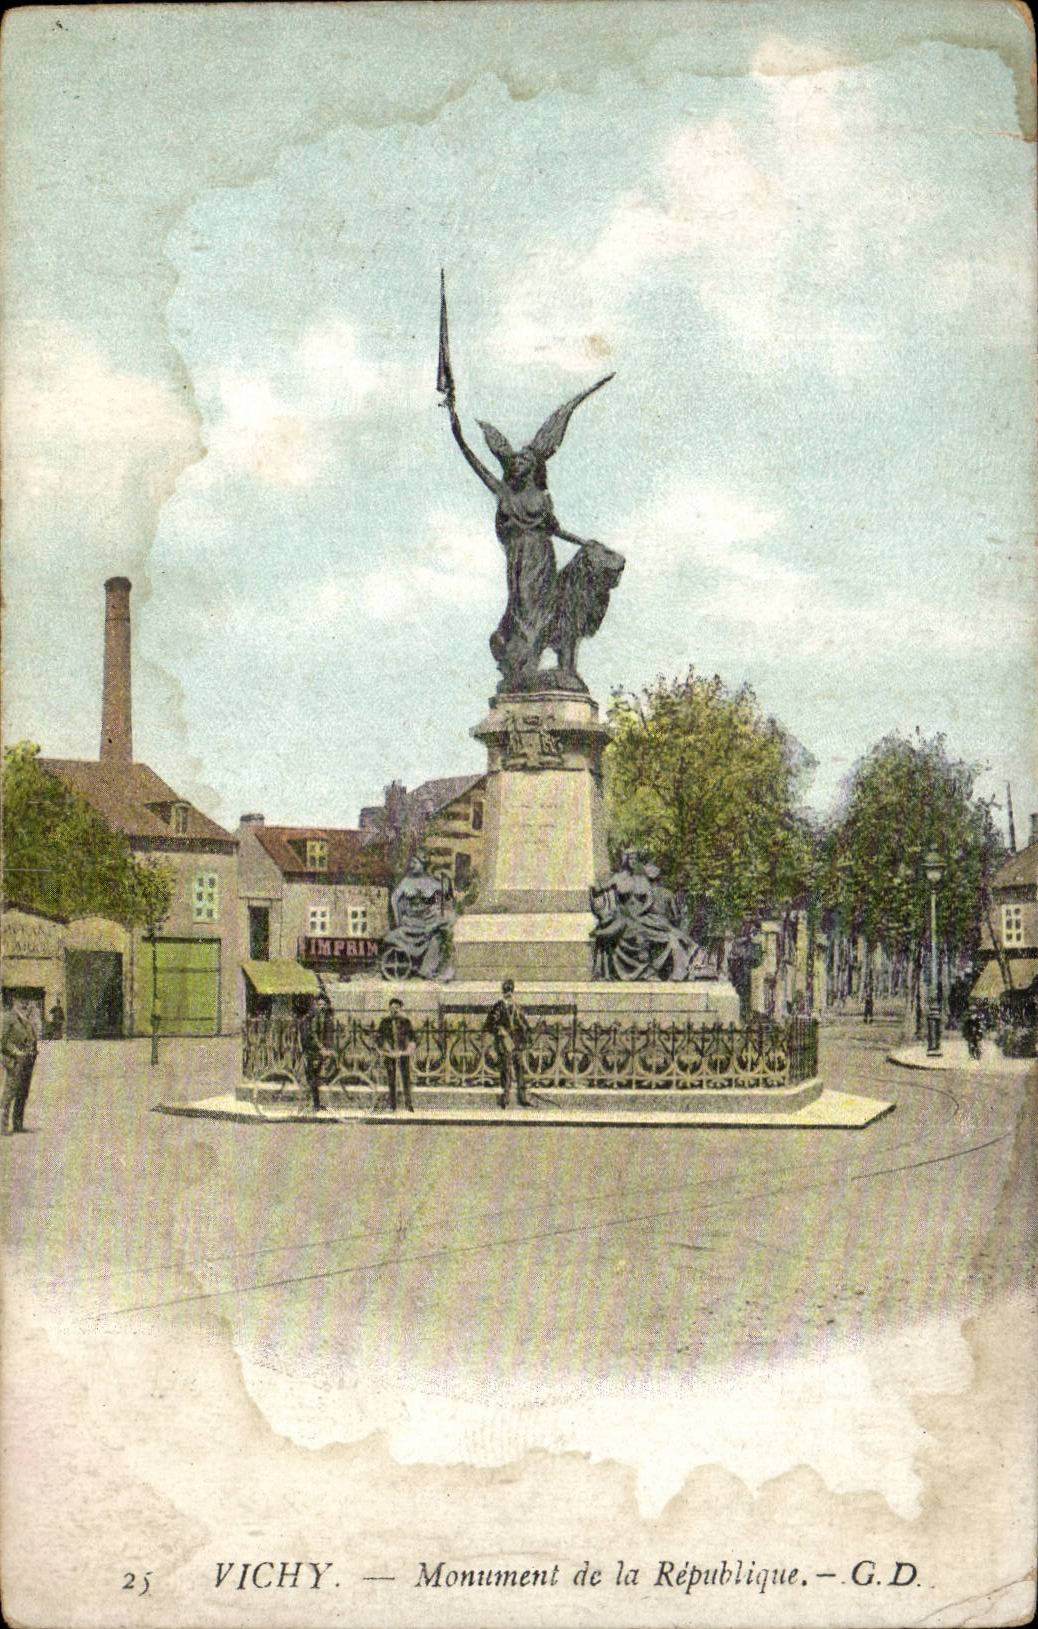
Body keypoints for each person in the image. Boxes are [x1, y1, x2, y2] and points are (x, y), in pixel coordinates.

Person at [483, 979, 532, 1108]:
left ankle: (523, 1097)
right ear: (503, 992)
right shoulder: (498, 1007)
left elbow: (524, 1024)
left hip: (516, 1044)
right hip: (504, 1044)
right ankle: (505, 1098)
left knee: (520, 1070)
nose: (508, 993)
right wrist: (500, 1029)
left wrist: (525, 1031)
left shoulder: (516, 1007)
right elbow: (489, 1024)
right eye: (506, 991)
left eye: (510, 990)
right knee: (506, 1071)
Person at [2, 998, 39, 1136]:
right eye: (21, 1001)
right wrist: (15, 1052)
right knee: (9, 1093)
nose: (25, 1004)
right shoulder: (8, 1018)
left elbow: (31, 1038)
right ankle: (2, 1125)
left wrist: (33, 1051)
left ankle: (18, 1124)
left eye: (27, 1001)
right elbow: (3, 1041)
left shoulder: (27, 1019)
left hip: (27, 1060)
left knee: (22, 1093)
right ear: (14, 1002)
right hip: (14, 1061)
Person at [377, 997, 417, 1113]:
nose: (394, 1010)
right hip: (389, 1054)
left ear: (400, 1009)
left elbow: (413, 1037)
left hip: (403, 1054)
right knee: (391, 1079)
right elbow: (380, 1038)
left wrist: (408, 1049)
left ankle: (408, 1105)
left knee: (406, 1078)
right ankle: (392, 1105)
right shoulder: (384, 1022)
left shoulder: (405, 1022)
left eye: (397, 1007)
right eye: (392, 1007)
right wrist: (387, 1049)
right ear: (389, 1008)